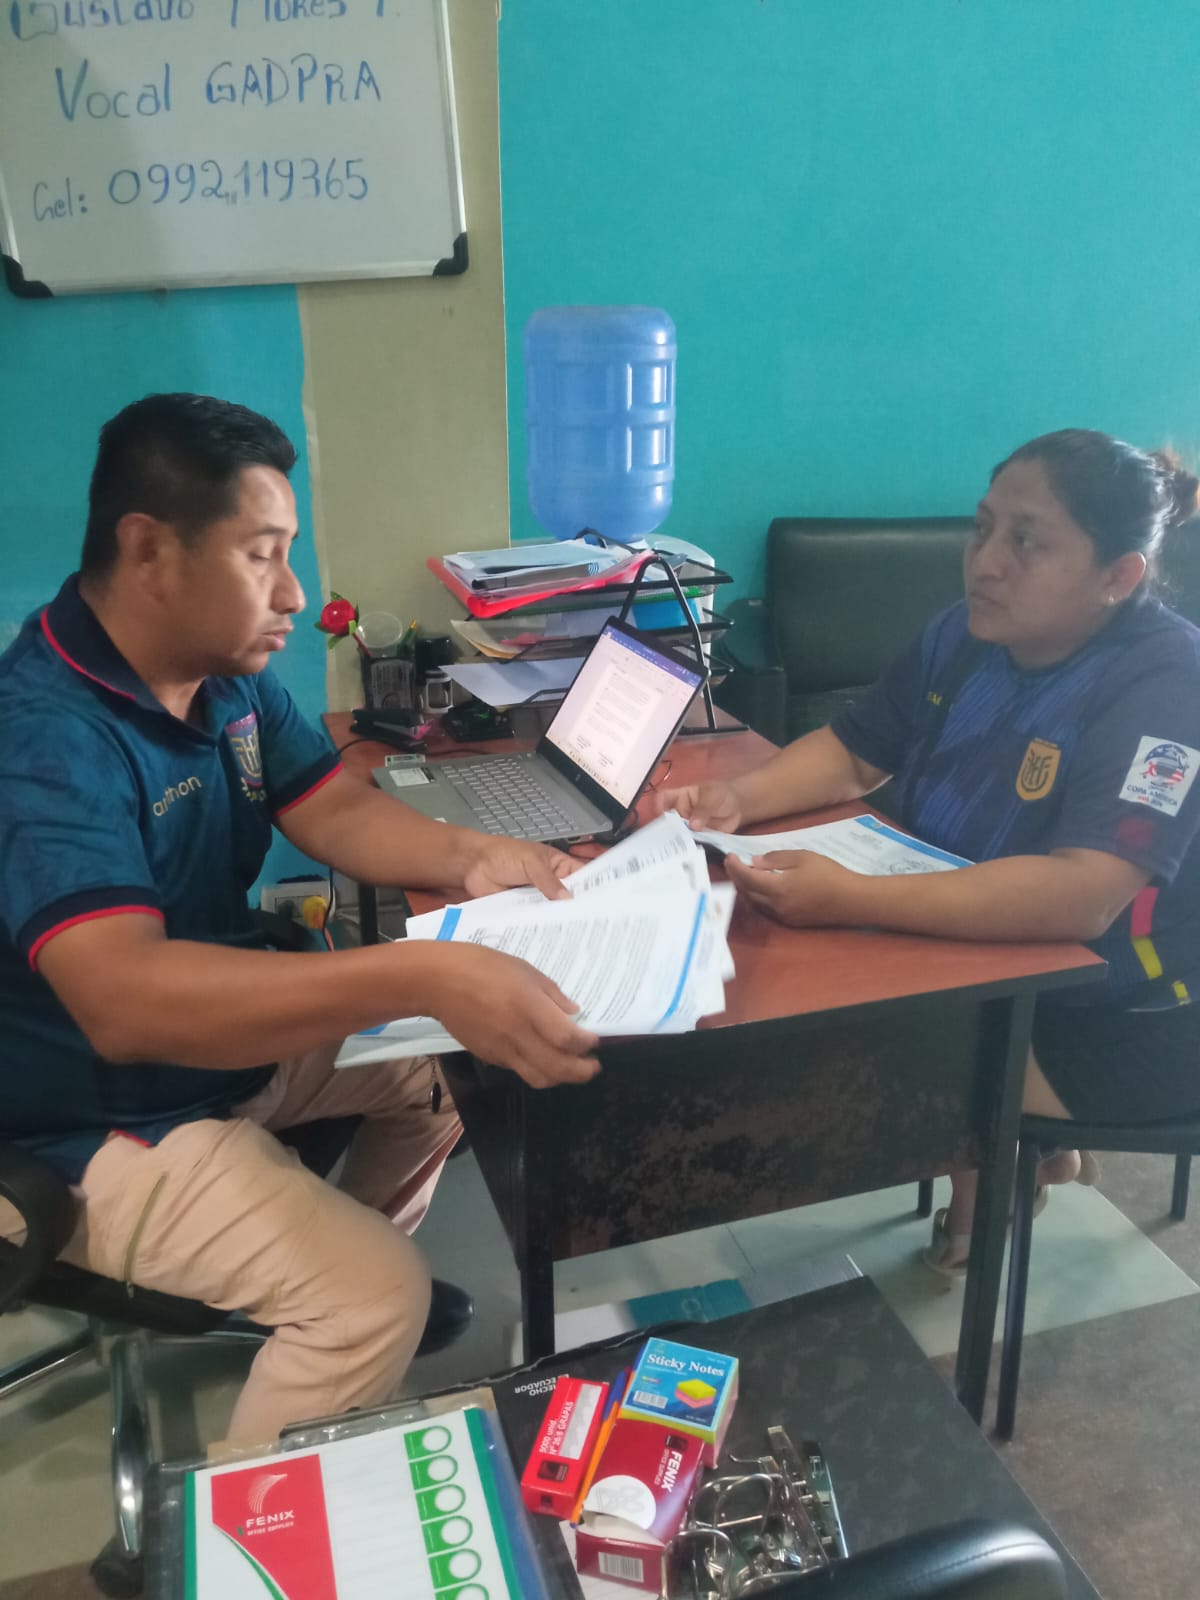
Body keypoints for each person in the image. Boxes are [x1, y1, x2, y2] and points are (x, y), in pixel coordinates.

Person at [0, 393, 600, 1444]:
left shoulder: (222, 677)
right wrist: (419, 973)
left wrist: (477, 856)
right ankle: (267, 1476)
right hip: (93, 1120)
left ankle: (325, 1290)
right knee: (372, 1299)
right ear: (148, 551)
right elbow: (125, 1004)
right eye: (261, 555)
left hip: (219, 1055)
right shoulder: (47, 736)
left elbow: (330, 807)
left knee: (447, 1073)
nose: (294, 593)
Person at [653, 429, 1200, 1273]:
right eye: (983, 529)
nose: (986, 562)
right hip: (988, 960)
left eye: (1028, 542)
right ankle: (1019, 1156)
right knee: (801, 977)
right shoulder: (968, 632)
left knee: (878, 1046)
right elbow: (856, 750)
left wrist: (851, 897)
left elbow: (1085, 894)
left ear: (1117, 578)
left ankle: (1004, 1174)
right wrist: (740, 798)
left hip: (1131, 1016)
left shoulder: (1167, 684)